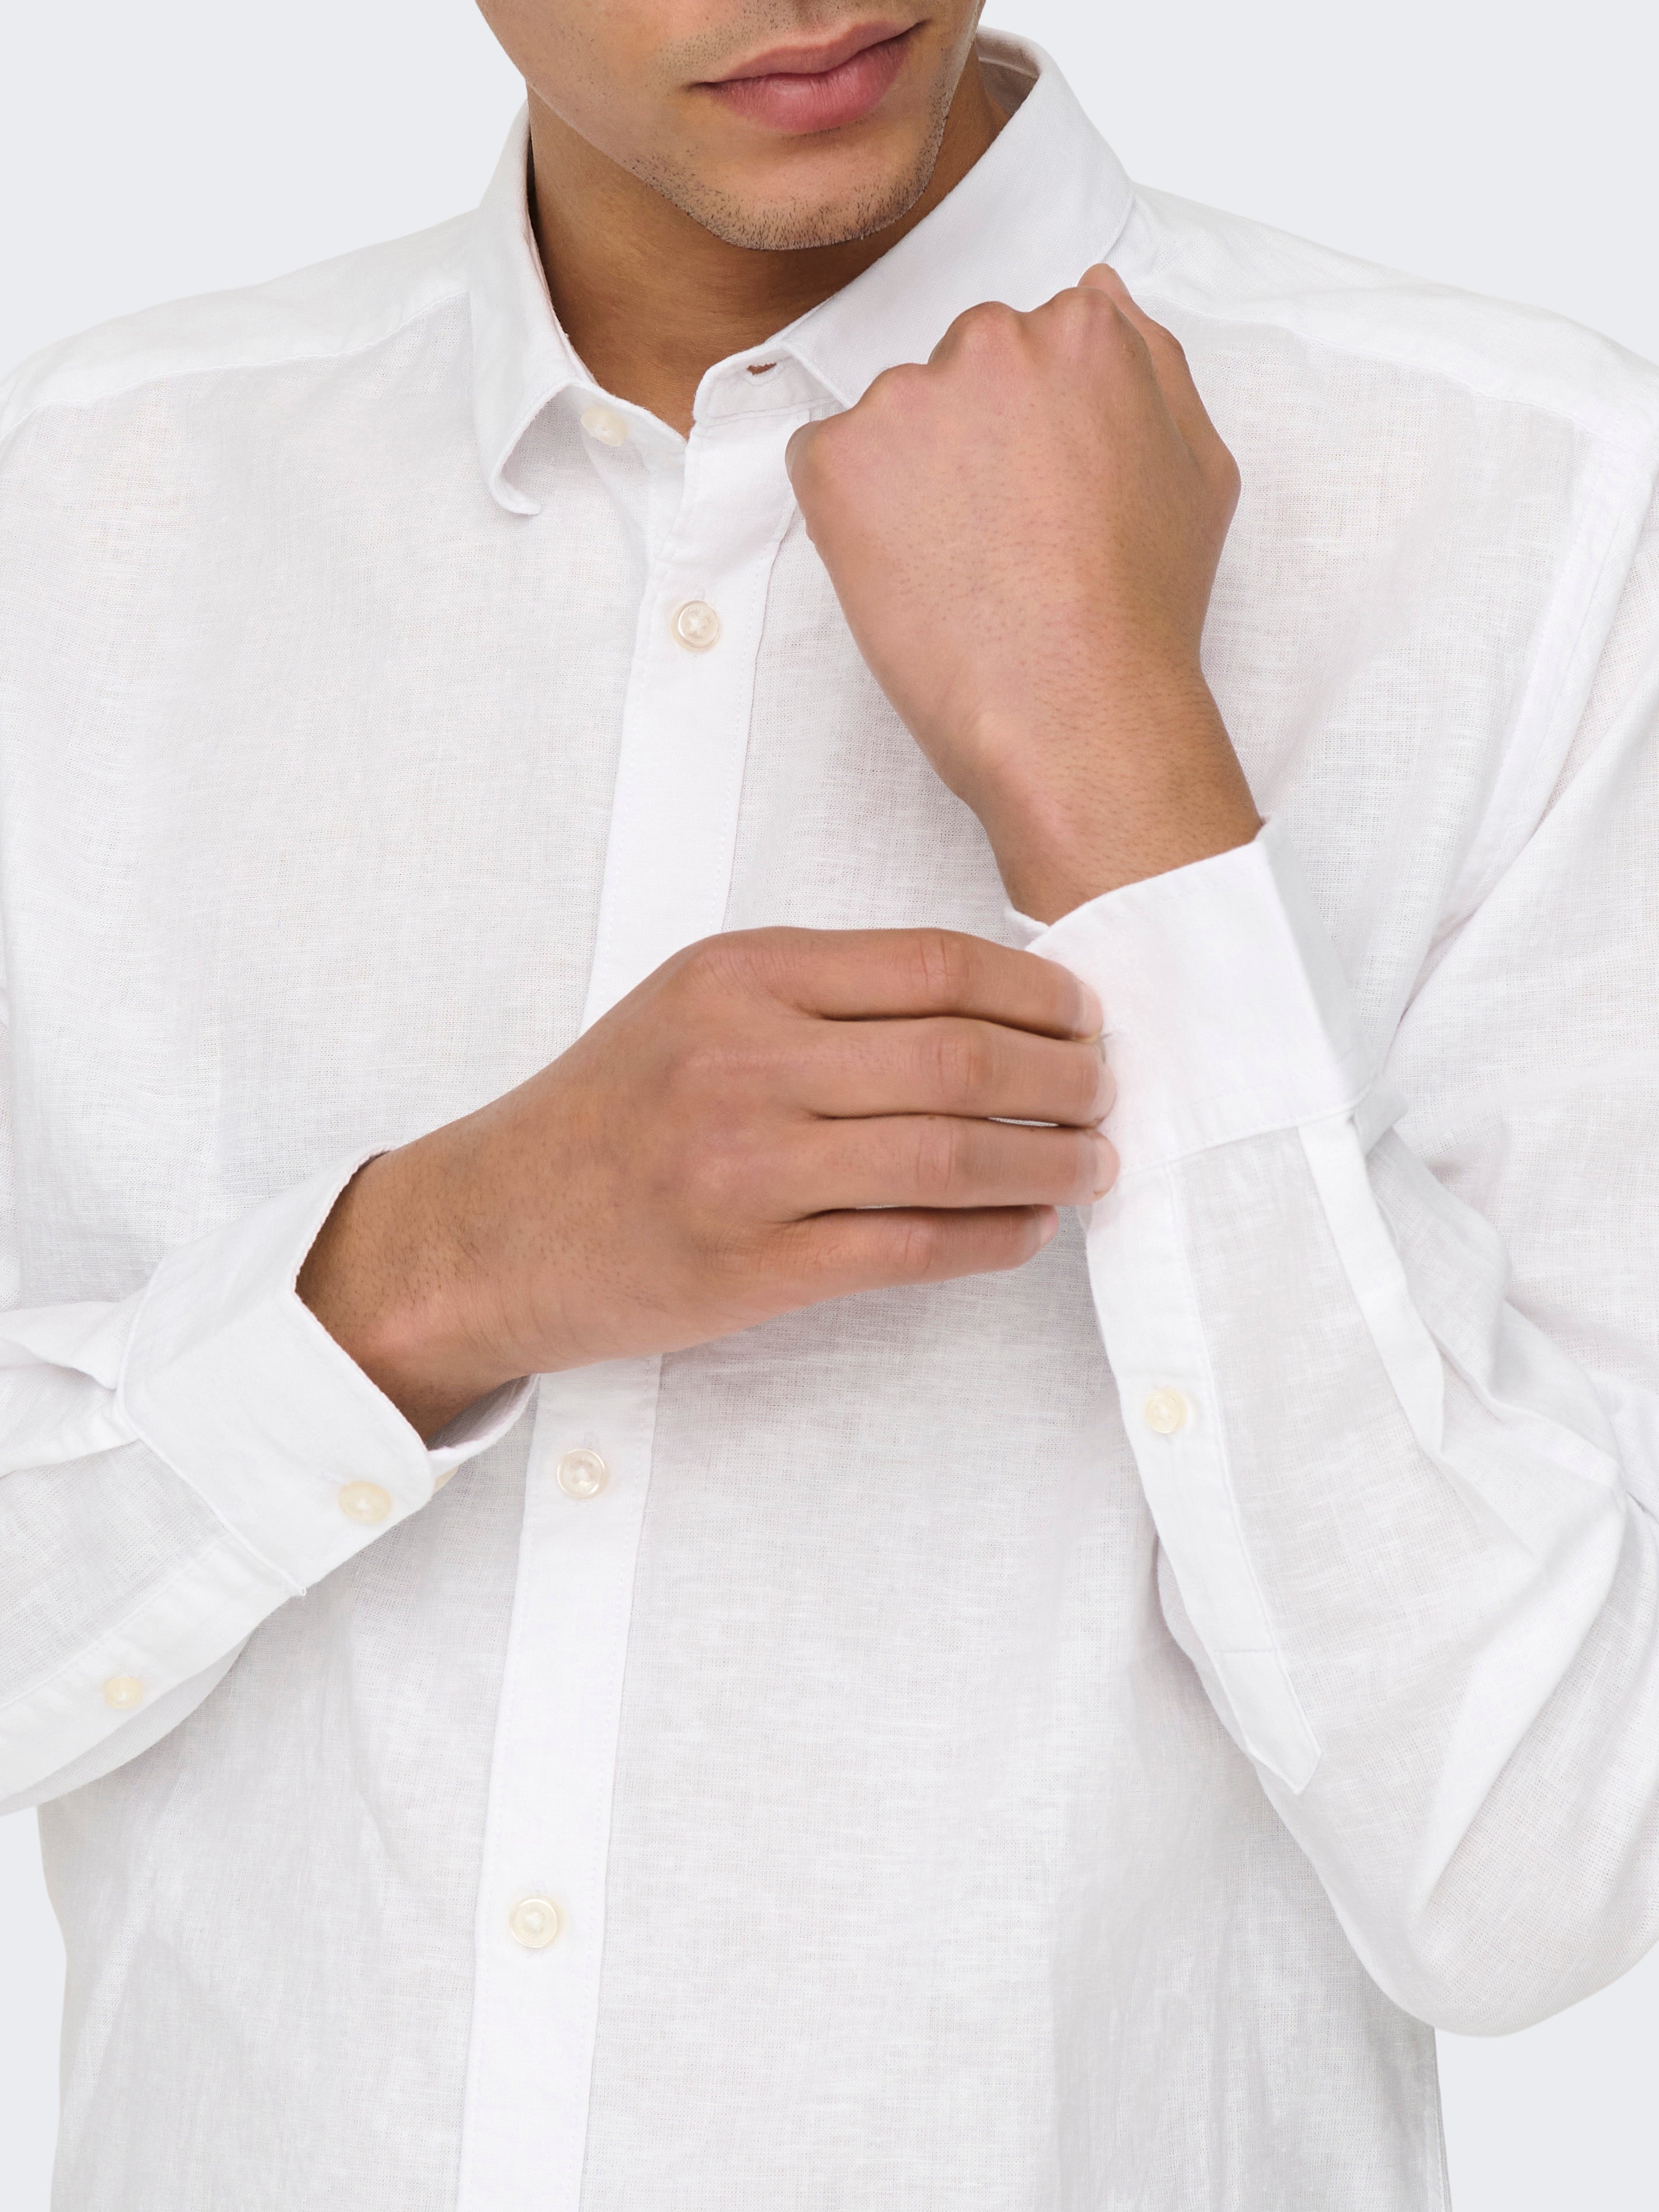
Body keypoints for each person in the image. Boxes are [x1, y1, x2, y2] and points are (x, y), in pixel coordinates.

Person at [2, 2, 1658, 2204]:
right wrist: (426, 1274)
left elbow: (1539, 1863)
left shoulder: (1528, 503)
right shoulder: (85, 505)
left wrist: (1120, 778)